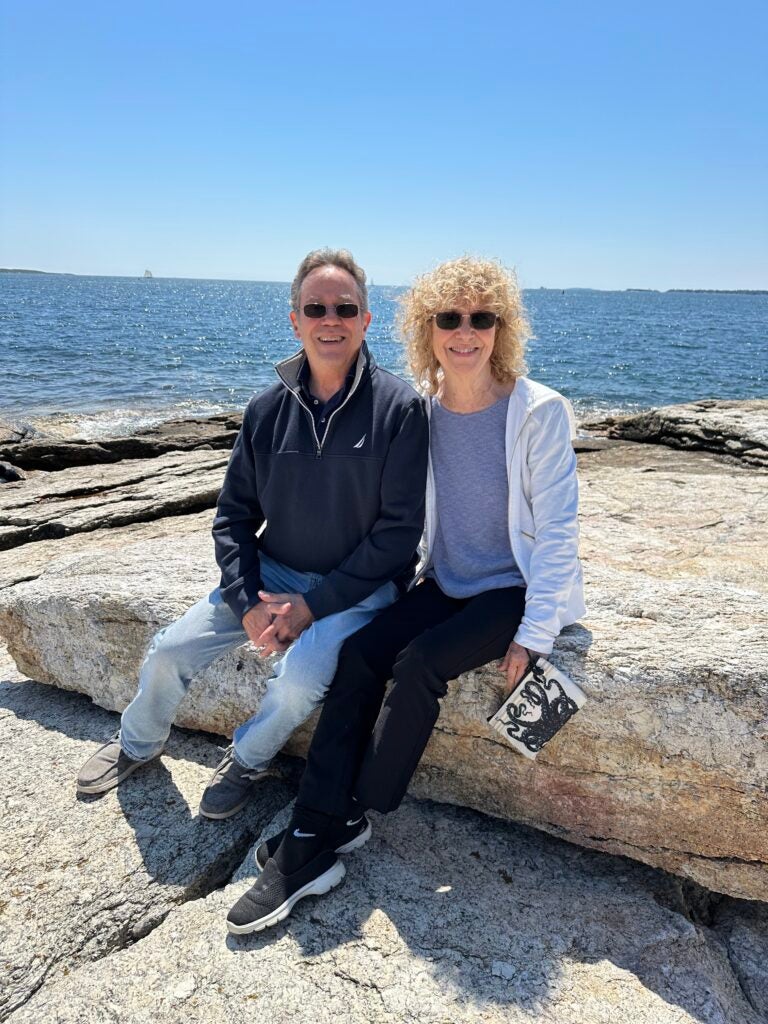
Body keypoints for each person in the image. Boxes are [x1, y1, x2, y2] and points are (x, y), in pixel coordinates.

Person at [226, 256, 586, 935]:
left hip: (511, 590)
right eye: (449, 318)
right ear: (428, 329)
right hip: (444, 581)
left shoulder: (538, 412)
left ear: (502, 328)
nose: (465, 332)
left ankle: (343, 814)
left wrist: (536, 633)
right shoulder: (424, 407)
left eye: (482, 318)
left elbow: (561, 531)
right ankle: (320, 820)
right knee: (360, 654)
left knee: (419, 663)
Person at [77, 248, 429, 823]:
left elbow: (398, 536)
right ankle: (138, 742)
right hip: (273, 572)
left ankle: (247, 759)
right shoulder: (266, 410)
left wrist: (313, 606)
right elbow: (234, 516)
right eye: (315, 308)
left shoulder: (400, 409)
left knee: (299, 682)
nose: (330, 320)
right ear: (295, 320)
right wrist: (246, 602)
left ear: (366, 320)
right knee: (170, 650)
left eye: (345, 308)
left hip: (360, 590)